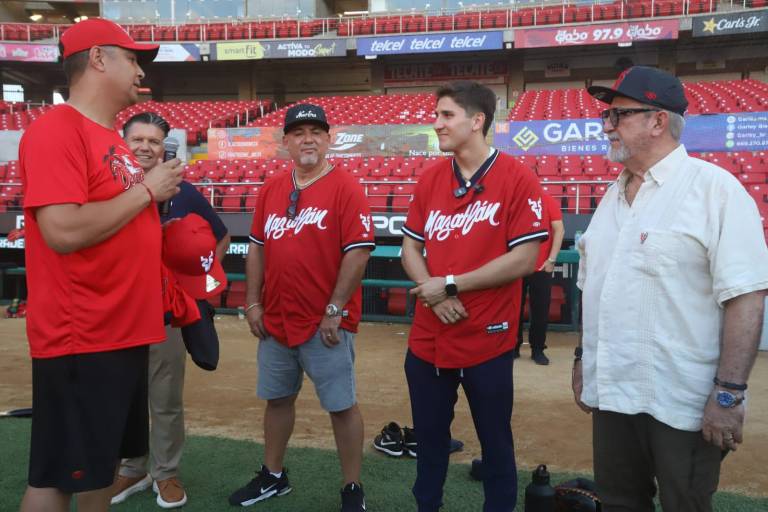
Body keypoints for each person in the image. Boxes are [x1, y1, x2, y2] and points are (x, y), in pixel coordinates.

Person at [573, 66, 768, 511]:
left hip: (683, 401)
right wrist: (585, 360)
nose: (606, 126)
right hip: (614, 394)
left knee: (686, 504)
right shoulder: (609, 197)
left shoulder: (715, 190)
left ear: (658, 121)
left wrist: (729, 393)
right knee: (620, 503)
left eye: (618, 115)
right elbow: (593, 289)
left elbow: (745, 298)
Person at [18, 18, 184, 512]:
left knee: (101, 466)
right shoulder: (55, 129)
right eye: (131, 57)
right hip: (83, 336)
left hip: (121, 331)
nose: (138, 69)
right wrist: (147, 192)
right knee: (57, 478)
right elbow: (63, 231)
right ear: (97, 59)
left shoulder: (109, 137)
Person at [401, 81, 548, 512]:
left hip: (489, 337)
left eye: (447, 115)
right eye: (437, 114)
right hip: (429, 337)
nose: (437, 123)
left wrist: (449, 285)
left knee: (496, 443)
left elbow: (525, 258)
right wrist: (437, 296)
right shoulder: (431, 177)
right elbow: (411, 248)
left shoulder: (517, 177)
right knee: (429, 441)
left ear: (477, 121)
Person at [229, 104, 375, 511]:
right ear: (286, 142)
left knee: (342, 406)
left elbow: (359, 252)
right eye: (298, 132)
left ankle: (352, 489)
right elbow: (256, 249)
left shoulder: (345, 186)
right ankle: (273, 476)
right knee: (277, 400)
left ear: (328, 139)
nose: (307, 138)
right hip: (276, 319)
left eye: (316, 131)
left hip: (324, 322)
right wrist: (253, 302)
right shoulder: (273, 187)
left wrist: (335, 309)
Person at [110, 112, 230, 509]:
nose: (145, 147)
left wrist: (193, 281)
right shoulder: (109, 187)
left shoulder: (184, 191)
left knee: (165, 399)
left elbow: (220, 236)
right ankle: (132, 467)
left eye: (154, 141)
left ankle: (165, 472)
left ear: (165, 148)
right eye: (137, 139)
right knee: (123, 396)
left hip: (166, 315)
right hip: (117, 314)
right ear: (122, 143)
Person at [515, 191, 564, 365]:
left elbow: (559, 229)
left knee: (541, 309)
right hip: (516, 266)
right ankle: (513, 347)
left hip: (542, 266)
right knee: (513, 309)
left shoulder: (547, 200)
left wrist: (552, 259)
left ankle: (537, 348)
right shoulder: (514, 199)